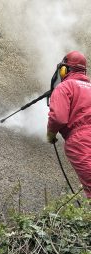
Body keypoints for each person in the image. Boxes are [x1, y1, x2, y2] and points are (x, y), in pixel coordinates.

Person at [47, 50, 91, 198]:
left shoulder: (64, 87)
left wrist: (51, 133)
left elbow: (58, 118)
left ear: (64, 69)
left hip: (81, 141)